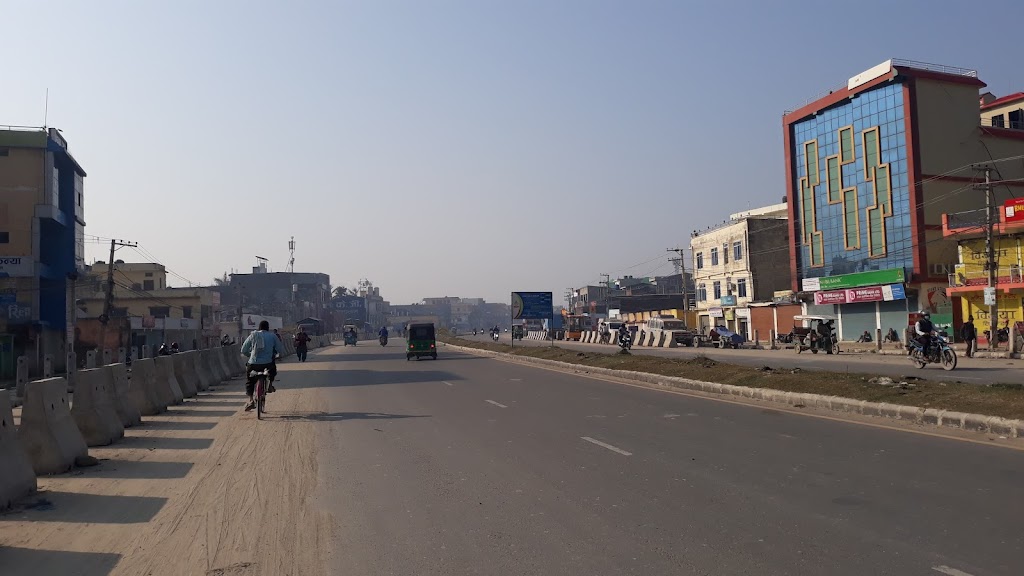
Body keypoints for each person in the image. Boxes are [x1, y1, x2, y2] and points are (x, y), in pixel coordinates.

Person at [240, 320, 285, 411]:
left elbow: (243, 350)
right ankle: (270, 385)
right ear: (268, 328)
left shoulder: (253, 335)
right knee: (272, 371)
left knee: (250, 381)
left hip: (253, 363)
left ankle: (251, 400)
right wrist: (276, 354)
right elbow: (280, 349)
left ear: (259, 328)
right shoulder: (273, 336)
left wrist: (251, 355)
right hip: (267, 364)